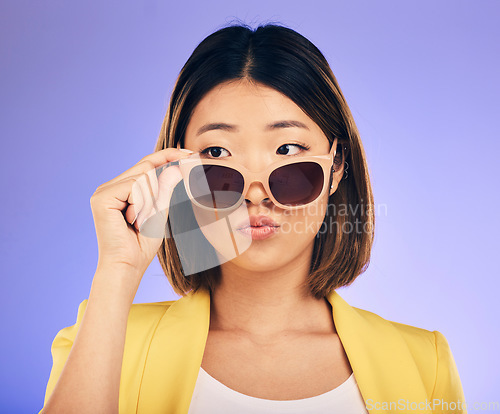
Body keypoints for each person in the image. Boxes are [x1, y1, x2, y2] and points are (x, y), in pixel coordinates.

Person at [39, 23, 466, 414]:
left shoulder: (423, 362)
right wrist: (117, 271)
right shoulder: (102, 341)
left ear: (336, 168)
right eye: (218, 154)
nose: (255, 192)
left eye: (288, 151)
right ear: (178, 175)